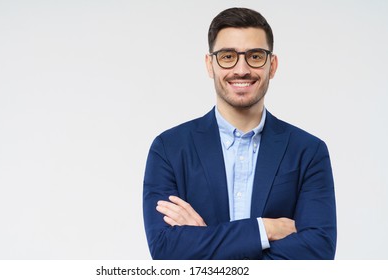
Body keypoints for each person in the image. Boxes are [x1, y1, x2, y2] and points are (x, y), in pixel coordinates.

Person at [142, 7, 337, 260]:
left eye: (255, 56)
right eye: (227, 56)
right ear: (210, 64)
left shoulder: (308, 151)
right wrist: (265, 229)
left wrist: (205, 241)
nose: (242, 69)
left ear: (272, 65)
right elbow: (165, 249)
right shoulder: (169, 148)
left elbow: (318, 252)